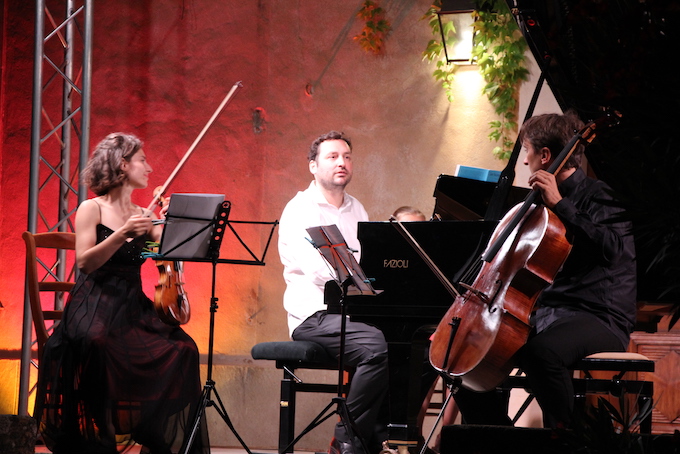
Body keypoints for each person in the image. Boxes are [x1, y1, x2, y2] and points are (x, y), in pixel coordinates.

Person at [452, 111, 637, 429]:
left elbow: (614, 250)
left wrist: (561, 204)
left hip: (597, 317)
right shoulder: (537, 205)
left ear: (545, 155)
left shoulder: (599, 196)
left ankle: (565, 441)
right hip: (546, 316)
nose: (525, 161)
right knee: (465, 363)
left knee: (542, 355)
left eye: (527, 151)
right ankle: (502, 442)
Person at [34, 133, 208, 454]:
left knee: (184, 348)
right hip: (93, 303)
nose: (150, 168)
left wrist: (174, 223)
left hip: (132, 307)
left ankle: (152, 429)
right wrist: (124, 233)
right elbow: (86, 263)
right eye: (143, 160)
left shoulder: (145, 214)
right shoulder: (92, 208)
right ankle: (103, 434)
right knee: (98, 343)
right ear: (123, 165)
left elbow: (171, 255)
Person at [278, 131, 389, 454]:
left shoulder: (358, 209)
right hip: (313, 316)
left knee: (408, 346)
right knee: (376, 346)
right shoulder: (299, 209)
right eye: (332, 157)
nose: (342, 162)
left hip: (354, 315)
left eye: (347, 156)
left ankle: (384, 437)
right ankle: (346, 439)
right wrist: (362, 280)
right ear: (313, 166)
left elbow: (367, 267)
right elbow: (320, 272)